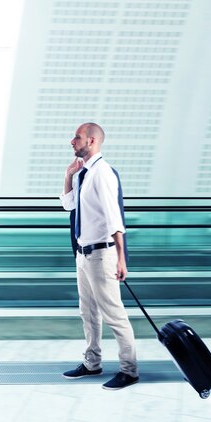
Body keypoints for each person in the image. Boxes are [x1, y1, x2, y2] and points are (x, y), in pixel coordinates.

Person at [59, 122, 139, 390]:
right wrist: (69, 175)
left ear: (91, 141)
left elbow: (114, 217)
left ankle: (129, 370)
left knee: (114, 314)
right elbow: (68, 206)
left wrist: (121, 258)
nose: (72, 141)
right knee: (89, 312)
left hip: (102, 254)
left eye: (77, 137)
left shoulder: (103, 173)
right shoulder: (84, 174)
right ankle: (92, 363)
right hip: (84, 255)